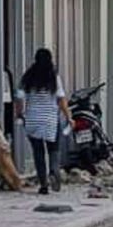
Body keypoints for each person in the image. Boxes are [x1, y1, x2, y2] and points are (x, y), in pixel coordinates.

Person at [15, 48, 73, 195]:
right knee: (53, 149)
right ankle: (54, 171)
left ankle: (43, 185)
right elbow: (61, 100)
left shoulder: (28, 77)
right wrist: (68, 117)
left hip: (33, 120)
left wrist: (20, 114)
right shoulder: (53, 77)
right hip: (50, 120)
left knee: (38, 152)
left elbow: (19, 97)